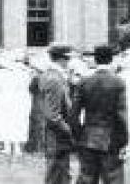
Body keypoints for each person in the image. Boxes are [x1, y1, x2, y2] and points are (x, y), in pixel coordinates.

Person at [70, 44, 128, 184]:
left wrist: (78, 135)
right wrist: (124, 139)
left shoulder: (84, 82)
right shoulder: (118, 82)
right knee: (113, 178)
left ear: (95, 60)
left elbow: (74, 114)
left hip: (87, 136)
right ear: (111, 60)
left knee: (86, 177)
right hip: (111, 138)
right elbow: (121, 115)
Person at [41, 43, 74, 184]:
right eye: (68, 59)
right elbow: (52, 115)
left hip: (57, 134)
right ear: (62, 59)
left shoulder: (53, 75)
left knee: (62, 174)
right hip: (57, 135)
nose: (69, 62)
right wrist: (69, 130)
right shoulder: (54, 79)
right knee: (55, 174)